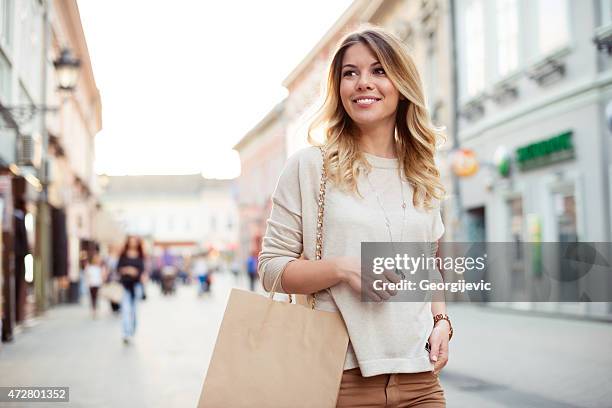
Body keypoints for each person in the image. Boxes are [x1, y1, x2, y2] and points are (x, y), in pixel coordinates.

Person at [258, 26, 451, 407]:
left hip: (420, 382)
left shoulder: (422, 171)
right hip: (338, 381)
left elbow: (427, 265)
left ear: (402, 83)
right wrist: (345, 269)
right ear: (339, 86)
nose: (363, 83)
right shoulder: (310, 167)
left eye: (379, 71)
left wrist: (442, 320)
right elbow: (271, 269)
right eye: (351, 73)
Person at [117, 236, 146, 344]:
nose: (133, 243)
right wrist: (127, 270)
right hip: (125, 286)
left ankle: (132, 331)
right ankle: (126, 333)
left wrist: (136, 272)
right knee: (125, 310)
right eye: (131, 242)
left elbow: (142, 271)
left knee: (134, 311)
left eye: (135, 242)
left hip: (136, 286)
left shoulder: (140, 256)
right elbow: (118, 268)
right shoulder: (123, 255)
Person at [85, 252, 106, 318]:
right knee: (93, 297)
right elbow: (87, 275)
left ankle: (96, 309)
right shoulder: (89, 266)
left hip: (98, 283)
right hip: (92, 284)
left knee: (96, 297)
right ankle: (94, 309)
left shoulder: (100, 267)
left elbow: (103, 276)